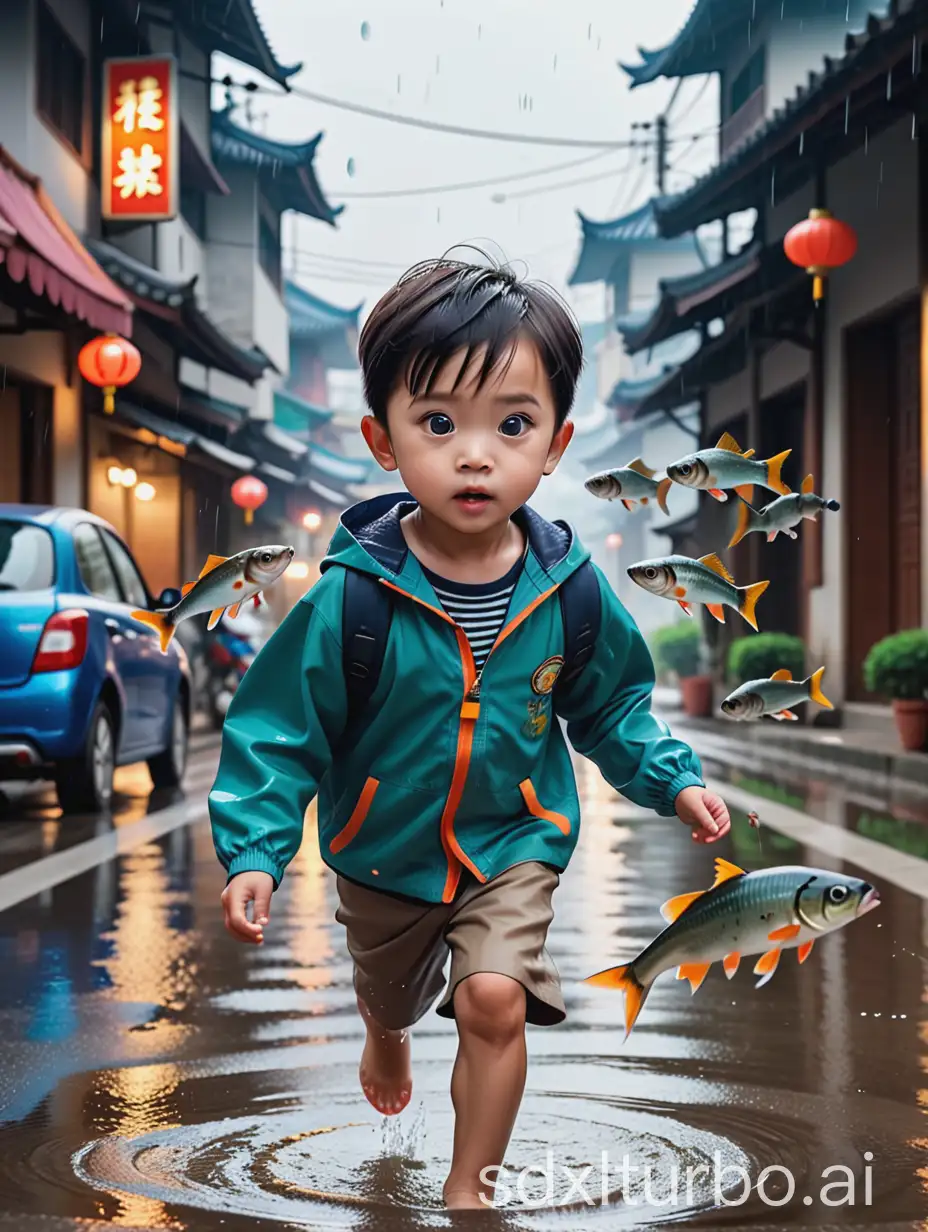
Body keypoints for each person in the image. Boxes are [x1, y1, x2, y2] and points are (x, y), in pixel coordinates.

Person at [208, 256, 731, 1210]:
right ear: (383, 439)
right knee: (389, 989)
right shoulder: (350, 599)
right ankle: (385, 1026)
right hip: (380, 849)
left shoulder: (570, 594)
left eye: (513, 424)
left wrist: (671, 777)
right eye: (439, 423)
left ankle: (469, 1193)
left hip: (513, 841)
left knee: (497, 999)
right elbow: (279, 731)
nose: (477, 453)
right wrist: (255, 850)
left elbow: (612, 706)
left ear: (557, 443)